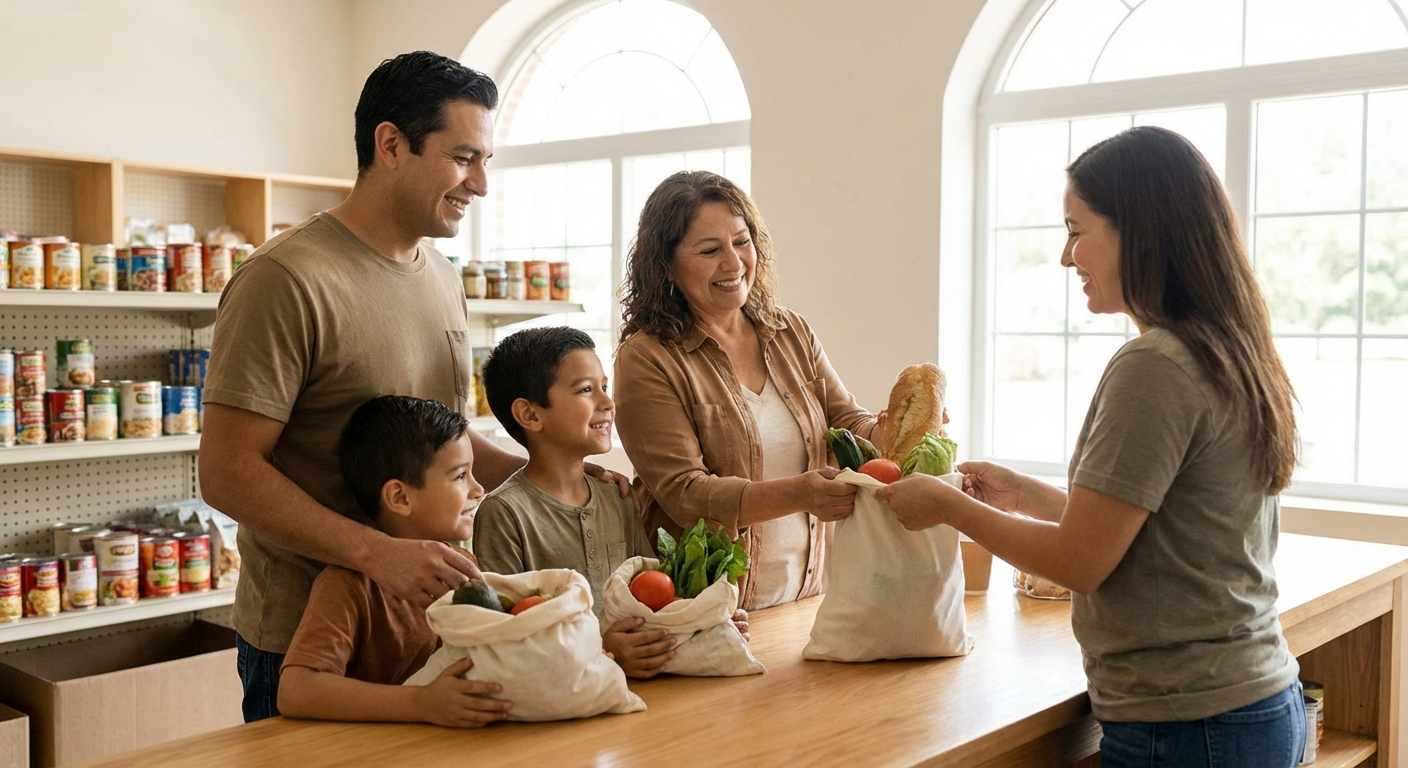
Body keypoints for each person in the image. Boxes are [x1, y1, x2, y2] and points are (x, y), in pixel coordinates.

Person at [199, 51, 626, 722]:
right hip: (312, 645)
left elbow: (449, 443)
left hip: (436, 625)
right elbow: (226, 474)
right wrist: (378, 554)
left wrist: (561, 480)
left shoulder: (441, 276)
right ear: (391, 144)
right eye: (463, 158)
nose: (480, 184)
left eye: (484, 161)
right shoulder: (285, 281)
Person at [877, 126, 1305, 767]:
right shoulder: (1229, 347)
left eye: (1078, 230)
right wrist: (1024, 497)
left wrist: (948, 506)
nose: (1066, 256)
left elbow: (1080, 563)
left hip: (1189, 725)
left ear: (1140, 231)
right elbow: (1152, 533)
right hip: (1251, 703)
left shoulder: (1153, 365)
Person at [613, 171, 880, 611]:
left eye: (741, 241)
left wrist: (896, 431)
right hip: (709, 608)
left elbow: (849, 422)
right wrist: (800, 493)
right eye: (709, 250)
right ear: (666, 266)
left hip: (809, 592)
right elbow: (686, 493)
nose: (734, 263)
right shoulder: (647, 358)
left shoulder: (790, 331)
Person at [473, 327, 748, 679]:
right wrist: (605, 649)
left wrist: (704, 623)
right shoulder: (504, 512)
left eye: (604, 386)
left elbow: (651, 595)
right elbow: (507, 634)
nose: (607, 402)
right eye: (586, 390)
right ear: (530, 415)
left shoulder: (614, 496)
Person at [278, 396, 513, 727]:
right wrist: (422, 703)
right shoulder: (349, 585)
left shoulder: (462, 565)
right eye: (460, 476)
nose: (478, 488)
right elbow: (297, 691)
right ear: (400, 498)